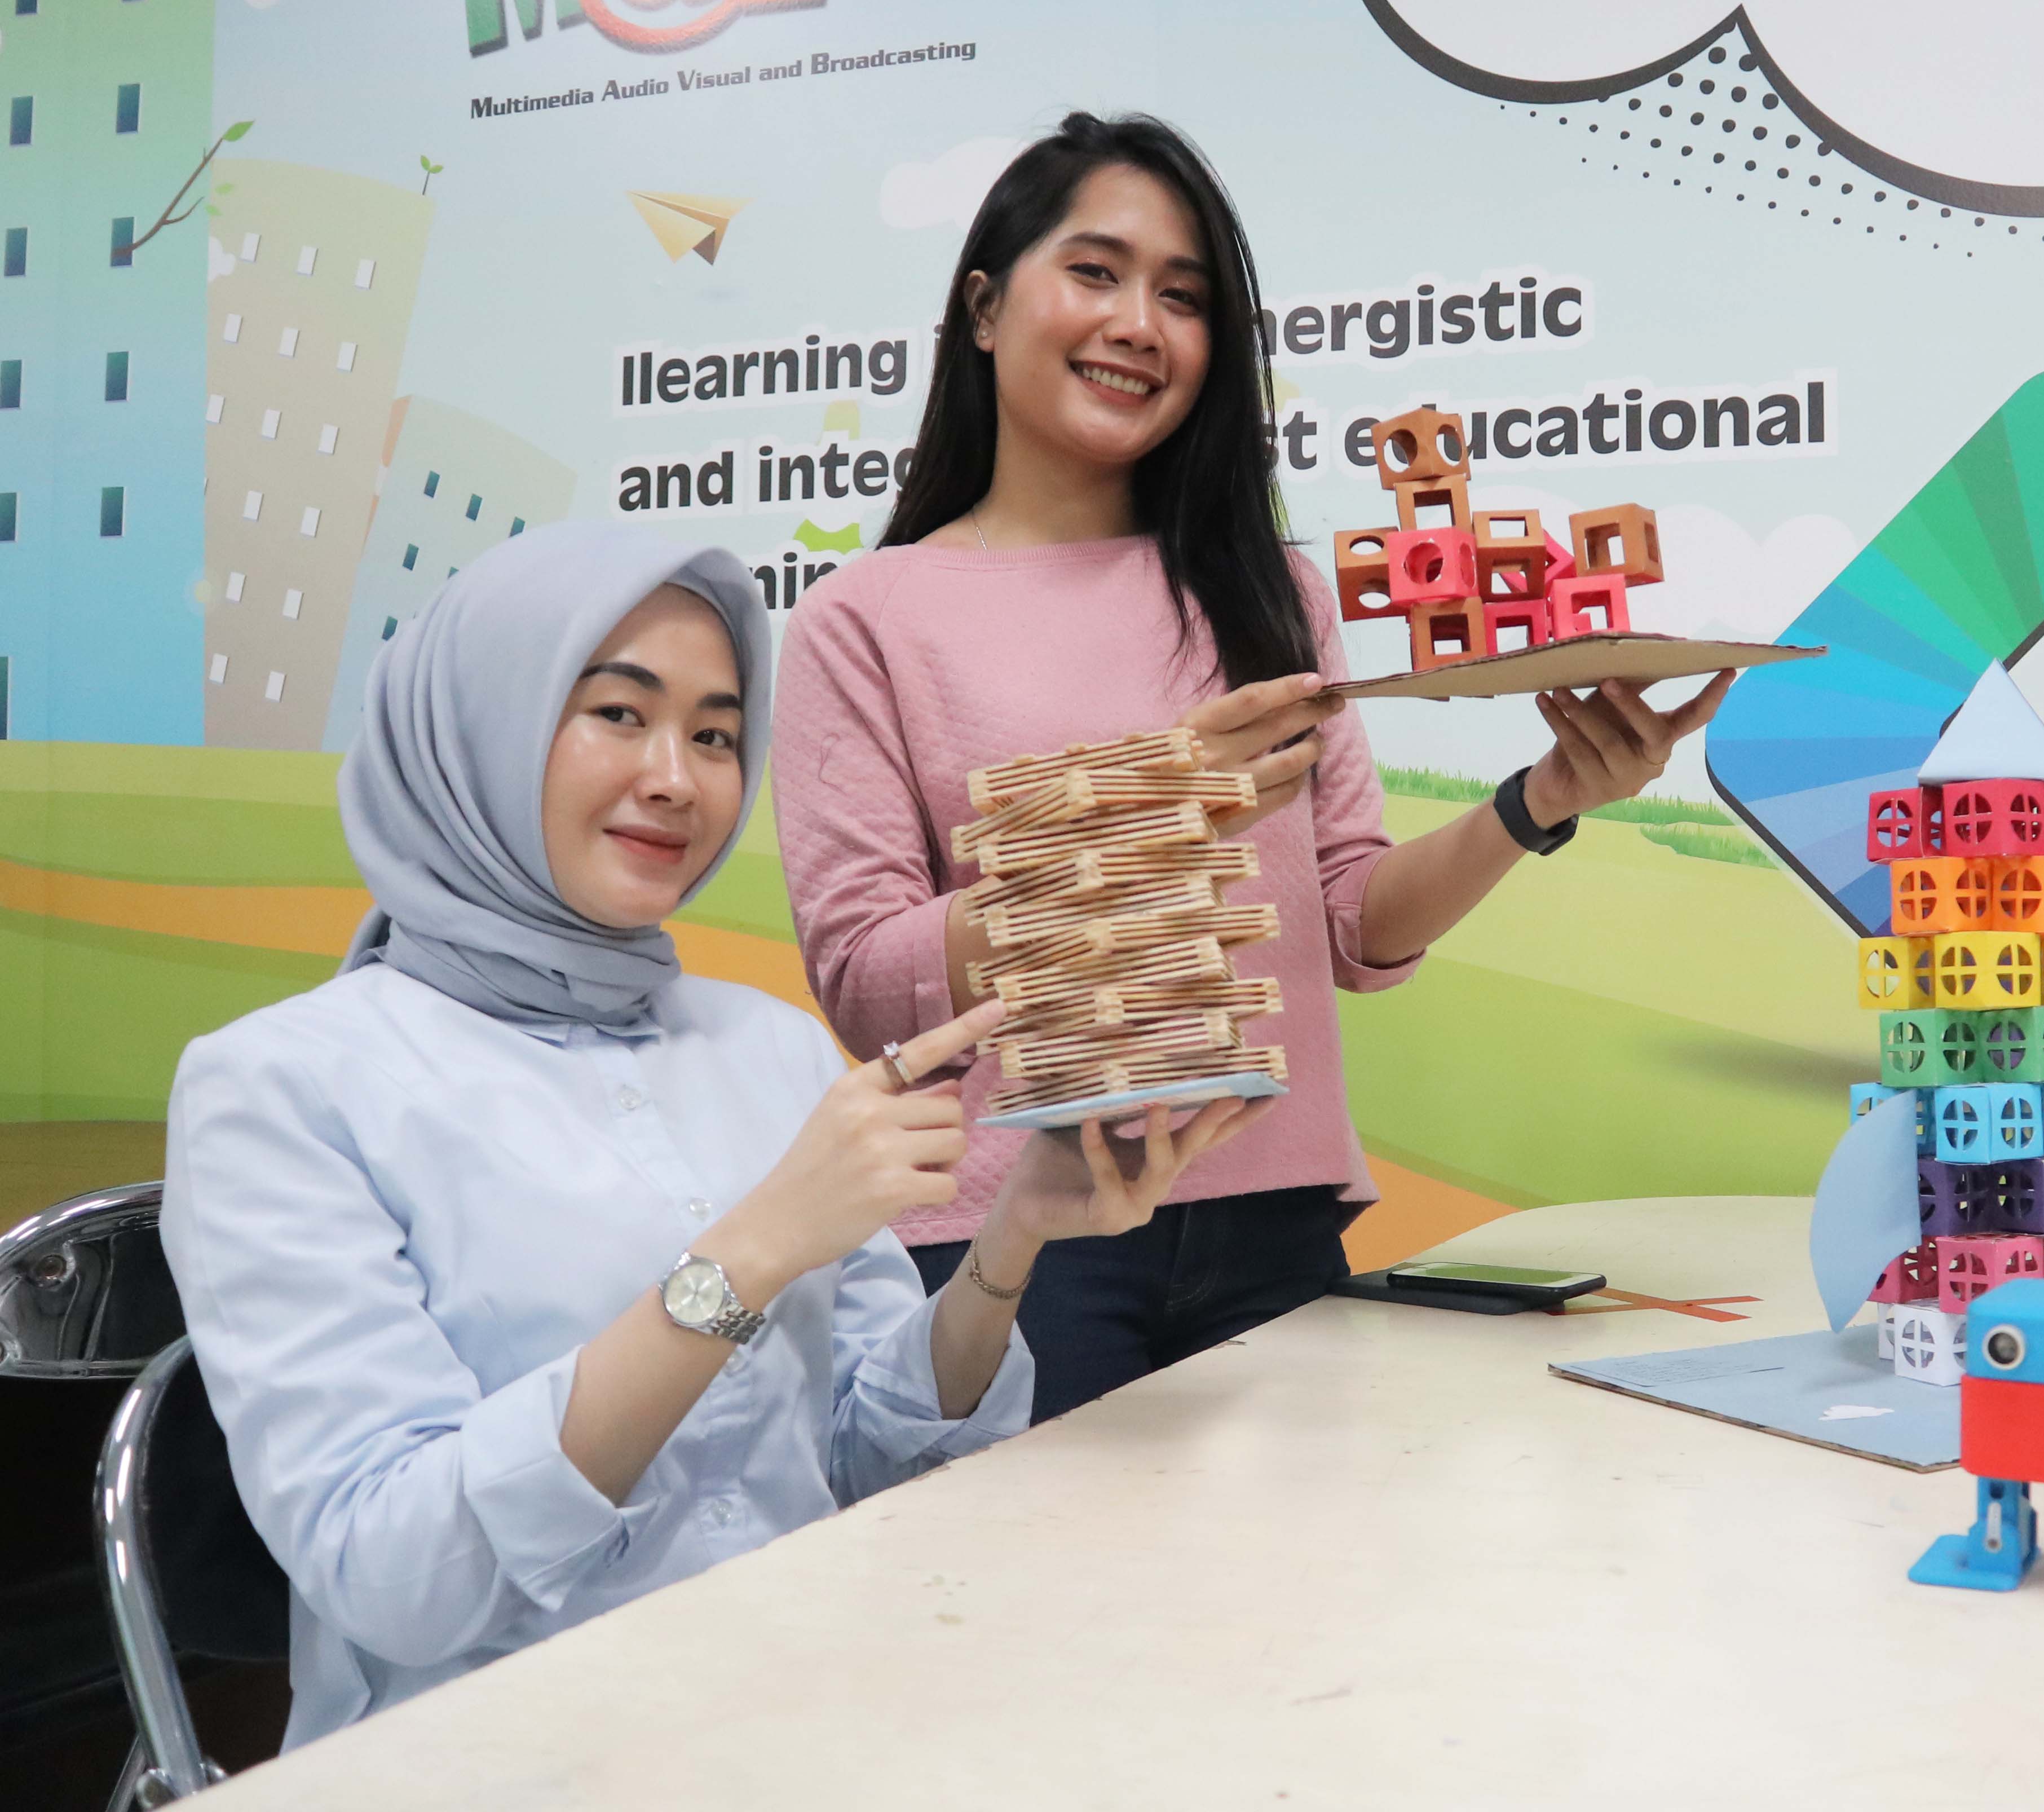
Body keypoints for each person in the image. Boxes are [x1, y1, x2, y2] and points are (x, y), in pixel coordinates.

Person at [161, 523, 1259, 1745]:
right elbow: (395, 1574)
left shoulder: (766, 1045)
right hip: (501, 1752)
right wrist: (748, 1255)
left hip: (799, 1703)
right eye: (618, 715)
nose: (676, 779)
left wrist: (1011, 1242)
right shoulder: (280, 1086)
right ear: (477, 727)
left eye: (716, 735)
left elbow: (870, 1462)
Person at [772, 112, 1732, 1422]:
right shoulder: (864, 617)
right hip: (1013, 1238)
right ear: (984, 309)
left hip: (1274, 1213)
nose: (1139, 324)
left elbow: (1349, 924)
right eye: (1096, 272)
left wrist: (1536, 805)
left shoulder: (1267, 589)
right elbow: (868, 987)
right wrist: (1147, 811)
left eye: (1183, 298)